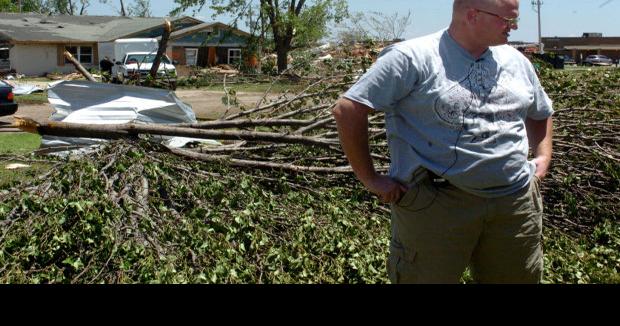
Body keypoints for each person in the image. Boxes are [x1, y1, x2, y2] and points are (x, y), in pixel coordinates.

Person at [332, 0, 554, 284]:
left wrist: (543, 156)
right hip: (437, 204)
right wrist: (371, 179)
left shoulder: (516, 61)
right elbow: (348, 109)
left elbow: (541, 112)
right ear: (472, 15)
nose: (514, 27)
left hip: (514, 204)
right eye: (507, 20)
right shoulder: (412, 57)